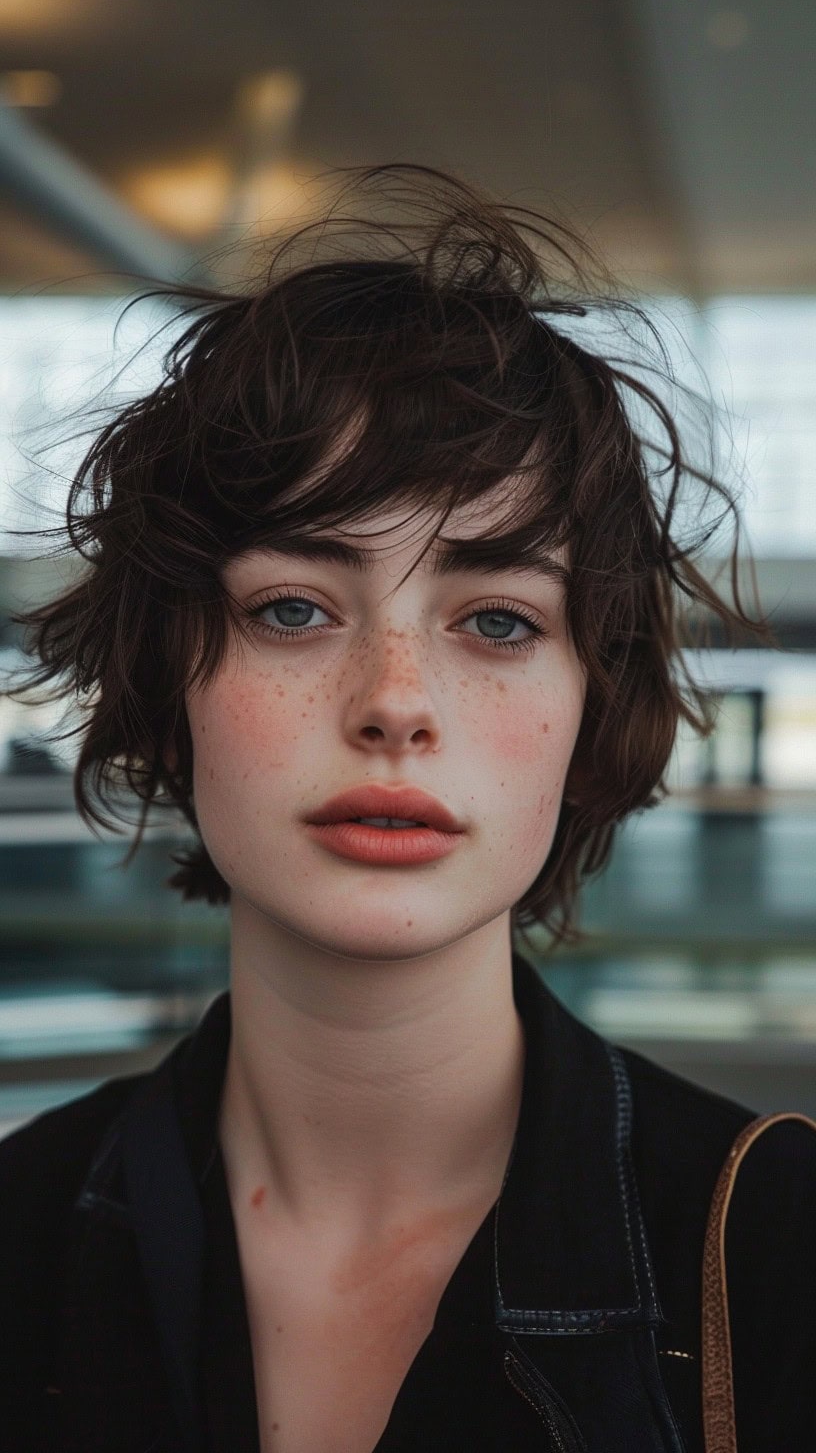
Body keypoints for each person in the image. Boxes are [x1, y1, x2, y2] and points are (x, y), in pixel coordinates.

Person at [1, 163, 814, 1453]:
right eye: (293, 609)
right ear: (173, 679)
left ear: (588, 706)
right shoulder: (22, 1226)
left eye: (498, 621)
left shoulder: (777, 1251)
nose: (395, 703)